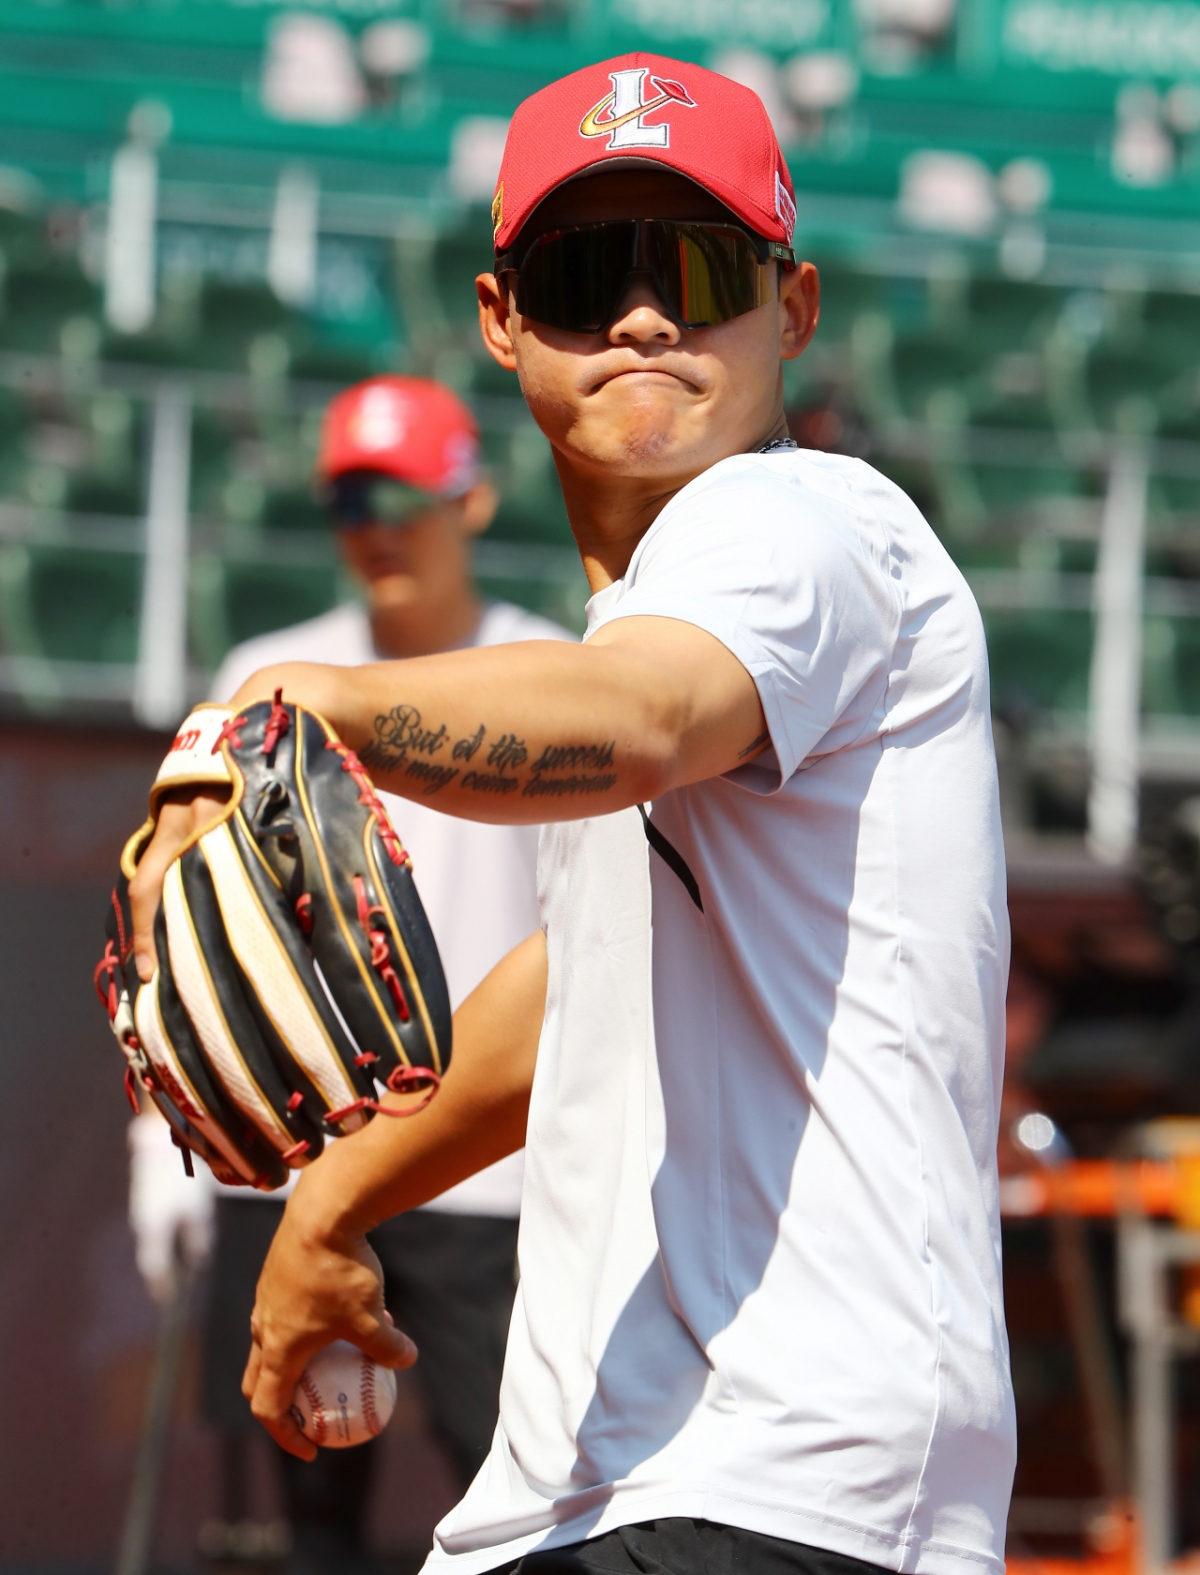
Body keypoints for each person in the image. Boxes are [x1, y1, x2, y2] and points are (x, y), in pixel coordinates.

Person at [130, 53, 1015, 1575]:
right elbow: (576, 988)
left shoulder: (805, 520)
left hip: (779, 1475)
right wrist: (331, 1204)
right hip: (609, 1482)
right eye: (589, 274)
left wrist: (324, 703)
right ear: (501, 320)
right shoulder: (644, 607)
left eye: (702, 269)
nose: (647, 317)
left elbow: (642, 718)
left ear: (792, 309)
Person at [126, 374, 574, 1575]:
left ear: (470, 500)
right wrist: (164, 1147)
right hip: (301, 1161)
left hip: (488, 1171)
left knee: (528, 1509)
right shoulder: (269, 668)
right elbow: (187, 937)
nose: (375, 525)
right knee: (311, 1522)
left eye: (401, 495)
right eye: (347, 500)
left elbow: (593, 941)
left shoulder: (549, 671)